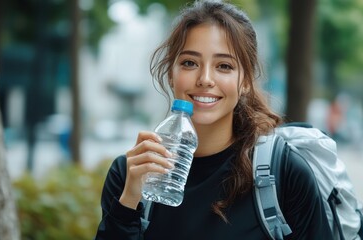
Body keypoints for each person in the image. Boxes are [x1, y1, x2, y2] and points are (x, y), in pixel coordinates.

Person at [95, 1, 333, 239]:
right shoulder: (129, 174)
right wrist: (127, 203)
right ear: (171, 73)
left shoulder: (285, 173)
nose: (205, 79)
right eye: (189, 63)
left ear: (246, 81)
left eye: (224, 66)